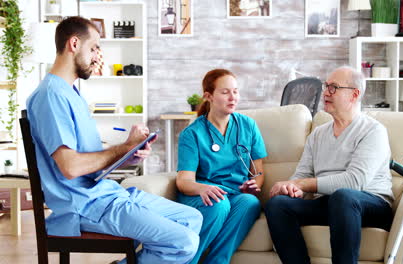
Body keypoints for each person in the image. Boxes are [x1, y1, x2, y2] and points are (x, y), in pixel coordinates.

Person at [26, 16, 202, 264]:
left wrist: (128, 152)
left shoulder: (71, 94)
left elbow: (90, 166)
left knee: (191, 218)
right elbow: (71, 167)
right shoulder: (51, 96)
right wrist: (124, 147)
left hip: (105, 195)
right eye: (95, 47)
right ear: (74, 44)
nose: (99, 56)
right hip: (83, 206)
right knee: (183, 241)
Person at [265, 66, 394, 264]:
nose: (326, 92)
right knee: (277, 204)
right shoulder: (318, 134)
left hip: (370, 202)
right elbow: (302, 175)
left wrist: (303, 185)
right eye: (326, 86)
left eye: (333, 87)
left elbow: (354, 181)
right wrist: (292, 188)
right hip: (330, 203)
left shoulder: (373, 131)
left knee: (343, 196)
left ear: (354, 94)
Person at [176, 69, 268, 263]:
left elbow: (257, 171)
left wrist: (252, 186)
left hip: (235, 194)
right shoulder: (192, 134)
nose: (232, 97)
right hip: (203, 196)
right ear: (208, 96)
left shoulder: (248, 125)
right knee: (219, 203)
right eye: (225, 92)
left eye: (235, 91)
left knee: (250, 202)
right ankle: (187, 260)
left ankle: (217, 261)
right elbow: (184, 181)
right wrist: (204, 188)